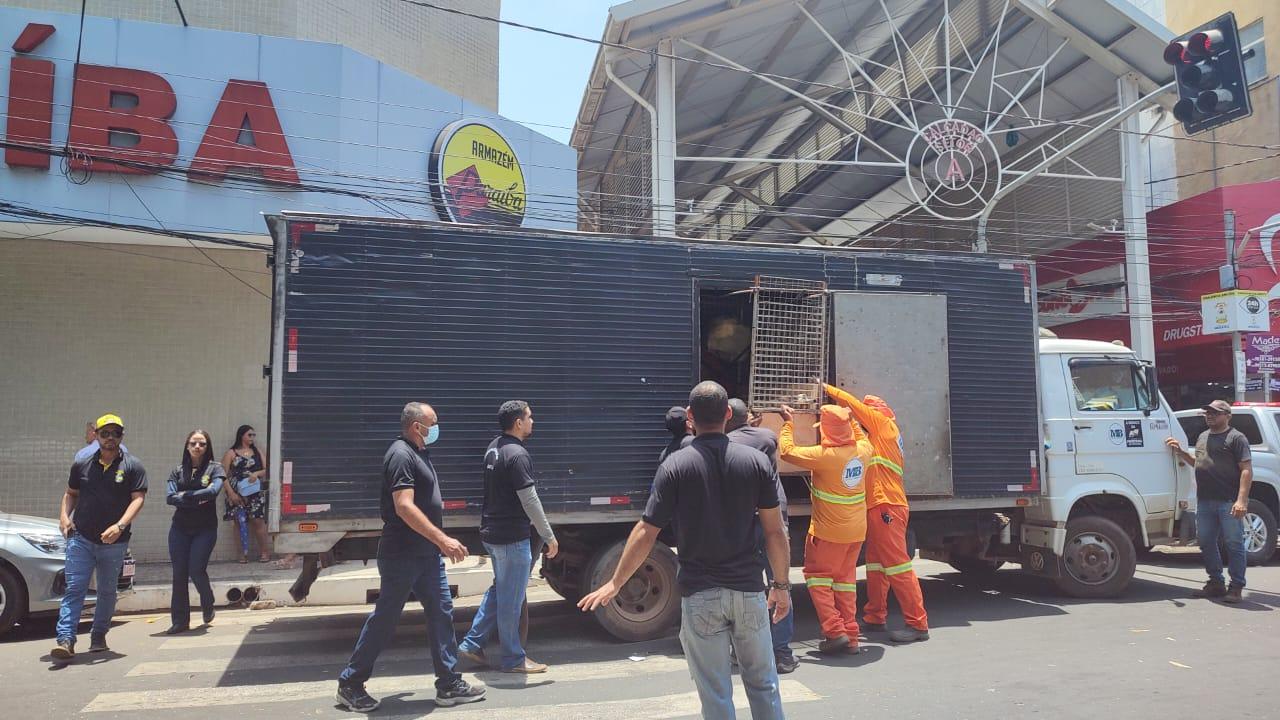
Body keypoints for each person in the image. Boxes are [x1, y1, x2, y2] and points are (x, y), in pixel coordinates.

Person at [580, 381, 790, 720]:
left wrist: (615, 583)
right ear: (727, 415)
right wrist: (781, 587)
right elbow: (775, 532)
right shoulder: (756, 462)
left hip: (701, 594)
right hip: (750, 590)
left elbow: (647, 531)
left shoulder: (676, 466)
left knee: (716, 692)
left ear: (690, 417)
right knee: (763, 684)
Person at [336, 402, 485, 712]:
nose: (437, 428)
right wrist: (443, 539)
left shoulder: (418, 453)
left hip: (425, 556)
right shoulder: (401, 454)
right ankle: (350, 683)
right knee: (386, 619)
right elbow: (404, 505)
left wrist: (435, 545)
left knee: (441, 612)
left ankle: (448, 683)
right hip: (403, 554)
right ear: (418, 426)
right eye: (434, 422)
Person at [457, 401, 559, 674]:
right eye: (529, 417)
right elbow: (530, 500)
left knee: (501, 589)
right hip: (511, 536)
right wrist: (548, 535)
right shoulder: (518, 454)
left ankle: (472, 643)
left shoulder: (494, 447)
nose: (533, 422)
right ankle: (513, 658)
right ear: (518, 422)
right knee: (511, 599)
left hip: (492, 531)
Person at [824, 384, 929, 643]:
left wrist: (827, 389)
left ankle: (918, 624)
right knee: (876, 565)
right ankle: (875, 616)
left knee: (897, 565)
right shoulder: (880, 438)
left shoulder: (884, 426)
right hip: (880, 506)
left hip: (886, 506)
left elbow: (857, 410)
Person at [51, 413, 147, 661]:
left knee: (106, 591)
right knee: (75, 589)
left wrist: (120, 525)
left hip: (114, 542)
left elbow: (138, 499)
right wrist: (64, 516)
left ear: (121, 436)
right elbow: (70, 493)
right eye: (105, 433)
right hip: (81, 538)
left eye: (115, 433)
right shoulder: (82, 464)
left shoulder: (132, 466)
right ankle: (66, 640)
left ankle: (98, 636)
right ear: (96, 435)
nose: (110, 438)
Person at [778, 402, 871, 655]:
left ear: (827, 432)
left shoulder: (823, 456)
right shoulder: (863, 451)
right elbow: (861, 436)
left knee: (817, 578)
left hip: (829, 533)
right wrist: (850, 419)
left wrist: (788, 422)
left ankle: (834, 631)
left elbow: (786, 451)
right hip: (856, 531)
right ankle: (851, 636)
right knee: (845, 581)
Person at [725, 398, 797, 674]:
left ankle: (740, 651)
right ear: (750, 418)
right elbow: (763, 440)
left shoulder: (725, 443)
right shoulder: (767, 436)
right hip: (774, 521)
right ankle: (782, 654)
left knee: (743, 584)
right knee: (780, 584)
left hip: (742, 522)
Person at [1166, 399, 1252, 603]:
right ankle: (1216, 583)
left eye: (1215, 412)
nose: (1210, 415)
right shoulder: (1203, 437)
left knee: (1234, 543)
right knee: (1205, 542)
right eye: (1207, 412)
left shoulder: (1236, 438)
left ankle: (1236, 586)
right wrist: (1182, 453)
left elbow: (1246, 470)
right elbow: (1200, 463)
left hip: (1228, 501)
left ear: (1228, 416)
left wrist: (1241, 500)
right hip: (1205, 501)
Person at [165, 429, 226, 634]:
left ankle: (207, 601)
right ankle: (180, 621)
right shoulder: (177, 470)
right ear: (187, 446)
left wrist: (186, 496)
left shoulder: (215, 469)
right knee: (179, 573)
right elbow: (169, 497)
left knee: (196, 569)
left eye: (202, 444)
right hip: (180, 528)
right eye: (193, 443)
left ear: (207, 447)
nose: (197, 447)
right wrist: (196, 499)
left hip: (205, 529)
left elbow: (213, 491)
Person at [220, 425, 270, 563]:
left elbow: (267, 469)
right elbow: (222, 474)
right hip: (236, 492)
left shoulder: (257, 451)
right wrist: (230, 493)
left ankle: (265, 552)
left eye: (254, 435)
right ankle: (241, 554)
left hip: (254, 492)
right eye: (249, 435)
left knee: (257, 520)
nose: (252, 438)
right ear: (241, 435)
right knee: (238, 522)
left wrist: (256, 473)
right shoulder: (231, 453)